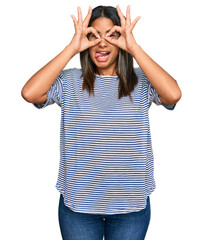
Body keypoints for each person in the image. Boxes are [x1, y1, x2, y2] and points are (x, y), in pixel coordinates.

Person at [21, 5, 182, 240]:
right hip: (79, 207)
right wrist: (71, 47)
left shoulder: (142, 80)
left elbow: (173, 94)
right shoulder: (69, 81)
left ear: (122, 40)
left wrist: (134, 48)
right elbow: (30, 93)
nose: (102, 43)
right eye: (93, 36)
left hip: (130, 206)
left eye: (112, 35)